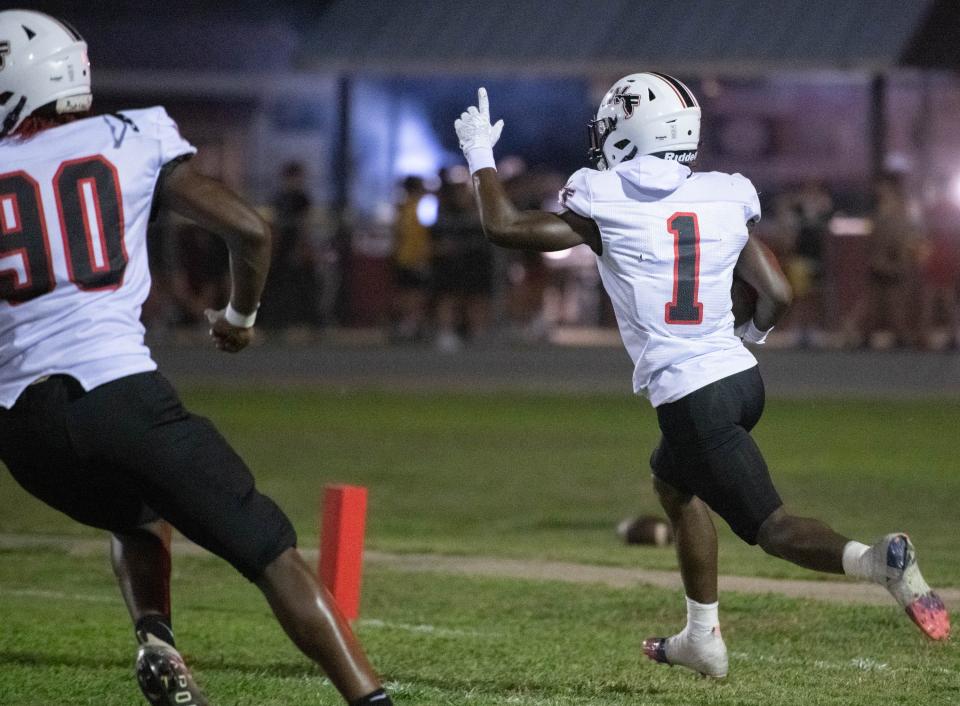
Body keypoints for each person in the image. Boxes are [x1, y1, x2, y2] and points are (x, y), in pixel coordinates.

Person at [454, 78, 949, 678]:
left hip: (693, 398)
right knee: (672, 482)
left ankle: (878, 563)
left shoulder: (606, 200)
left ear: (630, 133)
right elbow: (777, 293)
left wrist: (479, 153)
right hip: (742, 382)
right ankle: (700, 637)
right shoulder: (721, 195)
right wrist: (752, 339)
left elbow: (503, 227)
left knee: (772, 528)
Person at [0, 11, 392, 706]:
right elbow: (249, 227)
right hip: (120, 392)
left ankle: (158, 641)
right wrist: (239, 318)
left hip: (21, 428)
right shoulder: (132, 136)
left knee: (138, 516)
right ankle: (371, 700)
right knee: (269, 551)